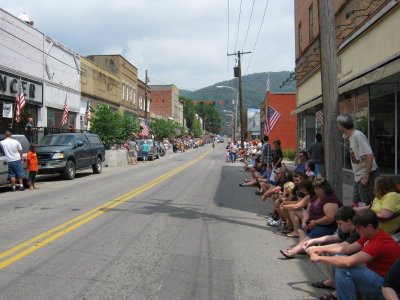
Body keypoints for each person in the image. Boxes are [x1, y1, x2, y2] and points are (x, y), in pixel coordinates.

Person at [309, 209, 400, 300]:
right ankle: (340, 294)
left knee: (344, 269)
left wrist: (320, 258)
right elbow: (345, 249)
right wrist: (319, 248)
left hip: (386, 288)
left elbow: (348, 262)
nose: (356, 231)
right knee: (338, 258)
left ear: (369, 226)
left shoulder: (380, 242)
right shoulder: (370, 235)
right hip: (376, 278)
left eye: (358, 228)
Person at [303, 206, 360, 297]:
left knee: (334, 255)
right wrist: (313, 241)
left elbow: (343, 246)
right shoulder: (348, 229)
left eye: (340, 224)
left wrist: (319, 248)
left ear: (349, 221)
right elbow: (332, 237)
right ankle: (332, 281)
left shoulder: (357, 233)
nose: (339, 227)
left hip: (357, 262)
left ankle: (338, 291)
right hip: (353, 259)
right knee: (329, 251)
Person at [279, 178, 342, 258]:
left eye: (318, 189)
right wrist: (304, 221)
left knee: (311, 236)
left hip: (327, 226)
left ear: (325, 189)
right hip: (313, 223)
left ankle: (292, 252)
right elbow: (308, 211)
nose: (315, 191)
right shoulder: (315, 197)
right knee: (300, 228)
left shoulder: (331, 200)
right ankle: (304, 249)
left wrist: (316, 222)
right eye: (315, 189)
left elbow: (330, 218)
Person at [337, 114, 378, 207]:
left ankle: (369, 221)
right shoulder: (349, 136)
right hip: (358, 177)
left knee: (367, 204)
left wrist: (366, 177)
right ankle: (355, 220)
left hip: (366, 175)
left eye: (338, 124)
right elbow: (355, 153)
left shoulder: (357, 135)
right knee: (356, 203)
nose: (338, 126)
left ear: (341, 126)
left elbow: (369, 156)